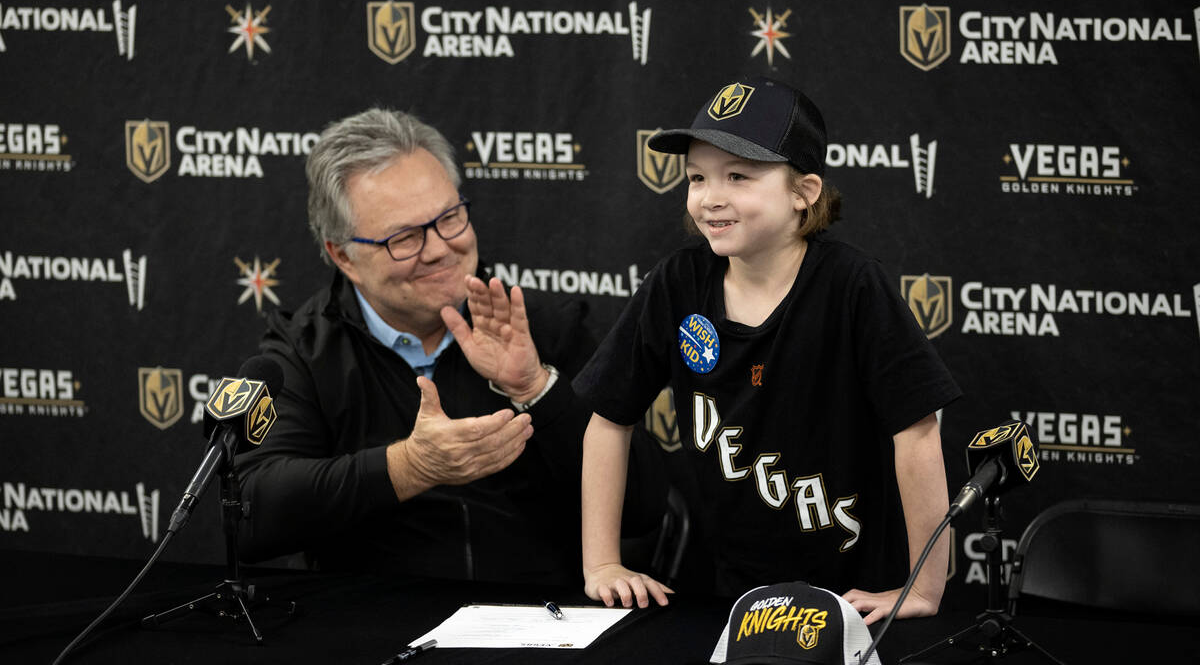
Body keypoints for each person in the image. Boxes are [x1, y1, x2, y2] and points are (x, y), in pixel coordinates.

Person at [576, 76, 962, 624]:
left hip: (857, 599)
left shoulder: (853, 287)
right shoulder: (678, 282)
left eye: (738, 176)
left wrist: (922, 589)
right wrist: (601, 564)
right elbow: (608, 419)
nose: (711, 197)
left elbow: (919, 430)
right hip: (735, 596)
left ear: (803, 192)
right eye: (697, 177)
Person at [235, 107, 664, 584]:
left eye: (449, 218)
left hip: (541, 625)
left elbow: (646, 508)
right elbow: (250, 514)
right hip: (373, 630)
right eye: (404, 237)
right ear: (344, 256)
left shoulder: (546, 329)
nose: (439, 248)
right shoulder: (302, 353)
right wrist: (408, 467)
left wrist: (538, 390)